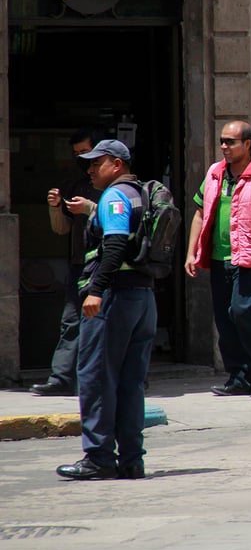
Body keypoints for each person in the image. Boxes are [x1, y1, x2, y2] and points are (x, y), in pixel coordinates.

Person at [55, 140, 157, 480]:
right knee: (131, 383)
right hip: (143, 299)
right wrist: (90, 209)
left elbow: (114, 243)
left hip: (114, 299)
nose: (89, 170)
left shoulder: (115, 196)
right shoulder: (137, 193)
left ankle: (98, 457)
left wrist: (95, 290)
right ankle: (131, 459)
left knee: (97, 378)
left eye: (95, 164)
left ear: (116, 164)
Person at [185, 121, 251, 398]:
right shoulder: (215, 173)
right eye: (222, 141)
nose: (224, 147)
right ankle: (239, 377)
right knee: (224, 319)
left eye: (230, 141)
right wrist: (191, 251)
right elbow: (199, 213)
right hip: (219, 258)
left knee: (242, 311)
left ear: (248, 144)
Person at [30, 129, 103, 397]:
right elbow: (62, 228)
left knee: (108, 323)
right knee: (71, 322)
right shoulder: (75, 184)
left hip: (107, 266)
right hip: (79, 265)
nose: (83, 161)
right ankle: (62, 378)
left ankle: (116, 376)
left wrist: (90, 209)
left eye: (87, 154)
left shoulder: (117, 186)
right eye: (78, 155)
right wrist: (55, 206)